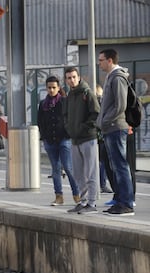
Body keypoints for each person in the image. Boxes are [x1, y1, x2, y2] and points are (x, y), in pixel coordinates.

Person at [97, 48, 135, 216]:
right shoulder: (110, 77)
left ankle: (126, 203)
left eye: (101, 60)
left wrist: (105, 120)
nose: (99, 63)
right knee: (115, 166)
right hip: (109, 128)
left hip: (115, 127)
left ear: (110, 60)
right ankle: (120, 201)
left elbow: (120, 105)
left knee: (120, 166)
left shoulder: (117, 77)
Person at [37, 76, 80, 205]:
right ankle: (58, 196)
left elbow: (70, 118)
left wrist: (68, 132)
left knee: (68, 167)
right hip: (49, 141)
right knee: (55, 169)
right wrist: (44, 136)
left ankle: (77, 194)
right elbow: (40, 121)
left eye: (54, 87)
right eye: (49, 88)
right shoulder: (43, 104)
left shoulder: (64, 101)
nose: (51, 90)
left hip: (64, 139)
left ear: (58, 88)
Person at [63, 67, 100, 214]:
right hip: (74, 139)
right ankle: (83, 201)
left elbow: (96, 113)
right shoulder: (69, 96)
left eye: (73, 77)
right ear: (66, 80)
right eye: (68, 78)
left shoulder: (87, 93)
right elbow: (65, 115)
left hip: (88, 138)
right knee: (78, 173)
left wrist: (83, 128)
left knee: (91, 172)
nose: (71, 80)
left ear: (79, 77)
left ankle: (92, 203)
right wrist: (69, 128)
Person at [96, 84, 113, 194]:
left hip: (97, 135)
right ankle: (102, 184)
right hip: (100, 135)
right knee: (102, 161)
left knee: (100, 161)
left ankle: (101, 184)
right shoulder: (101, 103)